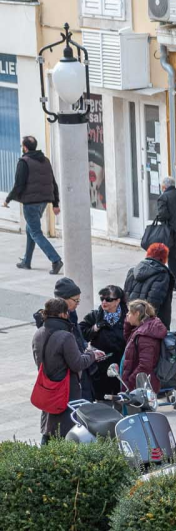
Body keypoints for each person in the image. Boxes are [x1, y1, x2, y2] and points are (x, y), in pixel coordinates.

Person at [32, 297, 102, 441]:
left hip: (47, 387)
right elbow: (77, 364)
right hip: (65, 391)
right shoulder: (66, 336)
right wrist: (92, 354)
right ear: (63, 314)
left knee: (49, 431)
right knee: (64, 432)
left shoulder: (38, 333)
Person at [5, 136, 63, 274]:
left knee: (36, 232)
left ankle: (55, 260)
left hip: (31, 203)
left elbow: (19, 185)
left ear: (25, 147)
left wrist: (7, 199)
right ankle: (26, 261)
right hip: (43, 201)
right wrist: (55, 203)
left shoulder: (23, 162)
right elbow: (53, 183)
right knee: (30, 229)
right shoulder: (45, 160)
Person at [80, 285, 126, 402]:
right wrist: (96, 327)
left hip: (121, 364)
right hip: (100, 365)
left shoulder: (128, 317)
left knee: (120, 396)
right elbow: (81, 333)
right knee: (101, 397)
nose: (104, 302)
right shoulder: (95, 316)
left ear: (117, 301)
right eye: (102, 299)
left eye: (108, 299)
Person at [121, 299, 167, 393]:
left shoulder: (145, 335)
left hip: (141, 386)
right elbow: (128, 340)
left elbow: (145, 365)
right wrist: (127, 323)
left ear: (137, 314)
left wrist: (130, 382)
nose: (127, 315)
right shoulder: (140, 328)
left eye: (129, 312)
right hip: (139, 384)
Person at [125, 243, 175, 329]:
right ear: (164, 258)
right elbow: (154, 303)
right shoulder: (162, 275)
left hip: (131, 320)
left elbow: (126, 297)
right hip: (150, 326)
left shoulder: (132, 271)